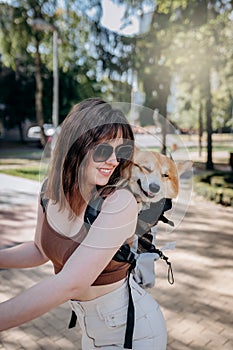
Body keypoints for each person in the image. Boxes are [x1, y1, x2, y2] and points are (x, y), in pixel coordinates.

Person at [0, 98, 167, 349]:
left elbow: (70, 283)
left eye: (121, 151)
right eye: (102, 150)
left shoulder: (120, 203)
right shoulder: (49, 193)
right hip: (90, 332)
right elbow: (39, 250)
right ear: (75, 146)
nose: (113, 161)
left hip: (133, 332)